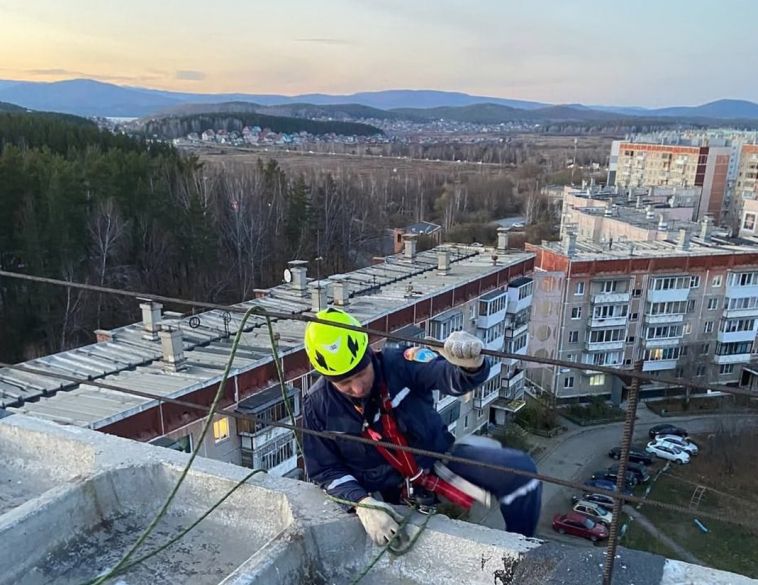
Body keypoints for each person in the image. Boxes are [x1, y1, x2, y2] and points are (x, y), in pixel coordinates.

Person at [302, 307, 542, 547]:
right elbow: (325, 470)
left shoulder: (401, 363)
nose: (357, 388)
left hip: (433, 462)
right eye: (344, 383)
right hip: (379, 489)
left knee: (521, 475)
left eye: (362, 374)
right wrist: (363, 504)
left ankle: (519, 549)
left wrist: (470, 366)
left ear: (370, 354)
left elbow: (446, 376)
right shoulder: (318, 406)